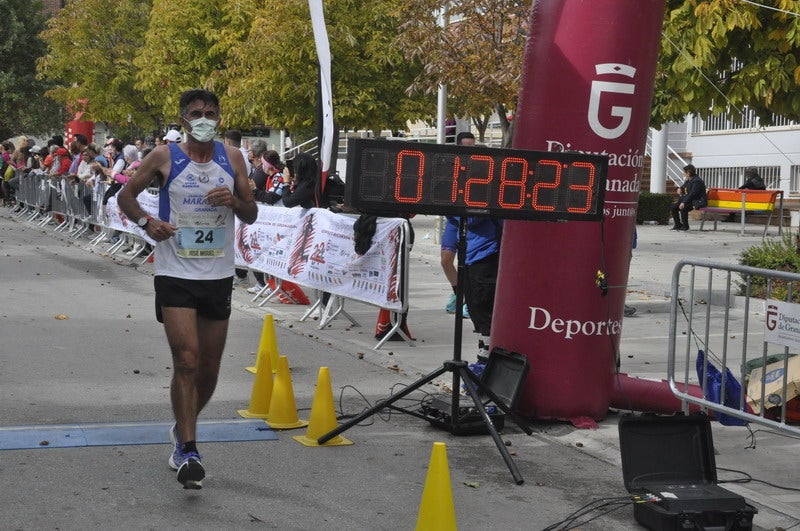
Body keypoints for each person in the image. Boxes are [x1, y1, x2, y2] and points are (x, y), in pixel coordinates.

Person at [117, 88, 257, 489]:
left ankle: (183, 427)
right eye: (196, 112)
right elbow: (127, 195)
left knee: (210, 369)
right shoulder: (163, 156)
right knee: (187, 360)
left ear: (219, 117)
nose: (204, 118)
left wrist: (233, 200)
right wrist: (148, 224)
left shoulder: (233, 158)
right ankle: (189, 450)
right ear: (183, 120)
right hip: (175, 273)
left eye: (210, 112)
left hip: (217, 274)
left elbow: (252, 212)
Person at [441, 131, 474, 317]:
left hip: (473, 223)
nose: (469, 150)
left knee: (469, 263)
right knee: (446, 261)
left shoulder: (480, 167)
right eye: (466, 146)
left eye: (472, 146)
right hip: (454, 220)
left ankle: (469, 299)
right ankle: (458, 293)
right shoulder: (450, 168)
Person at [670, 164, 707, 231]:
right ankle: (678, 225)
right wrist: (680, 188)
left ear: (688, 173)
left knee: (683, 207)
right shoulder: (689, 180)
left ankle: (685, 226)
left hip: (698, 201)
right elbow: (684, 186)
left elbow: (692, 194)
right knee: (673, 207)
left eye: (684, 172)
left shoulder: (697, 181)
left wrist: (683, 202)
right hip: (690, 200)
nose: (683, 173)